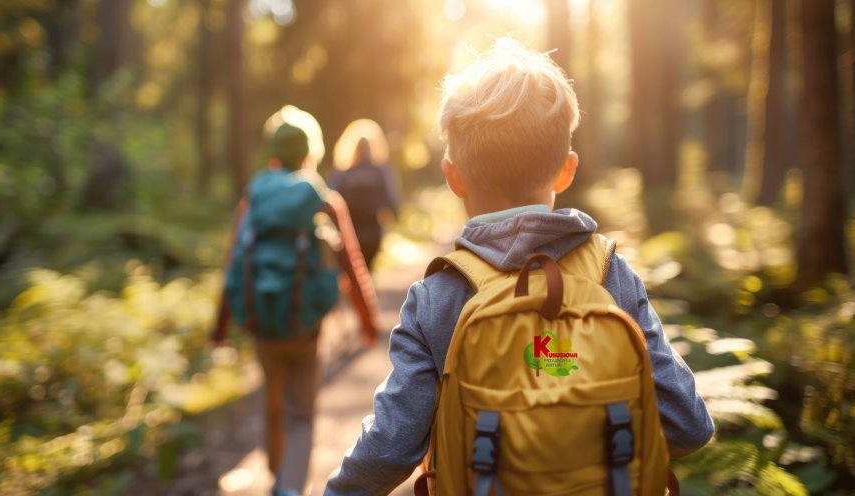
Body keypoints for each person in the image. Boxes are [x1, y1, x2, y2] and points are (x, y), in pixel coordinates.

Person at [324, 39, 714, 495]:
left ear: (453, 177)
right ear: (566, 171)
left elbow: (392, 446)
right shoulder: (610, 274)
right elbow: (689, 427)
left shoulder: (437, 296)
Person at [212, 106, 379, 496]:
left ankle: (275, 476)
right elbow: (351, 264)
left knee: (272, 404)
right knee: (301, 414)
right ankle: (289, 488)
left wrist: (219, 328)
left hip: (261, 322)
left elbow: (234, 260)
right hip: (305, 324)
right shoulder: (321, 197)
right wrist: (367, 322)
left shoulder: (253, 196)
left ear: (272, 154)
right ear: (310, 154)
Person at [328, 119, 400, 269]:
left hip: (348, 233)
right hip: (373, 232)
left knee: (352, 271)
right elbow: (392, 199)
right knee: (368, 269)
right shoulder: (381, 171)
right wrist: (395, 217)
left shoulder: (343, 174)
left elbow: (330, 198)